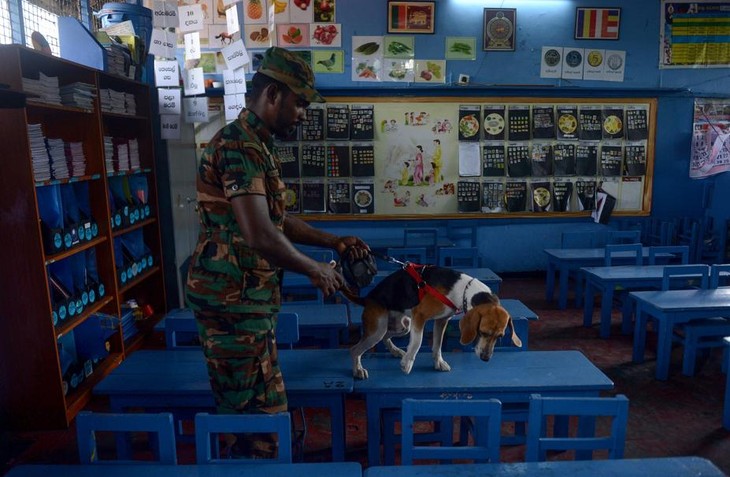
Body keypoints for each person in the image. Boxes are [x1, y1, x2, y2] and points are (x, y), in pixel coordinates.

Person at [184, 46, 369, 458]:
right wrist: (315, 270)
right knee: (255, 423)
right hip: (233, 303)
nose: (303, 113)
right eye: (299, 102)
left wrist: (331, 242)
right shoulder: (239, 147)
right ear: (272, 94)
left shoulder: (256, 145)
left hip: (247, 300)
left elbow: (275, 221)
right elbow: (260, 234)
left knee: (255, 414)